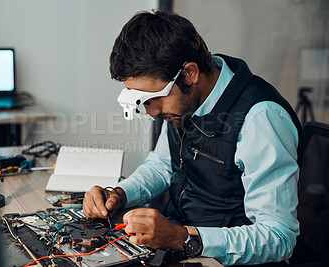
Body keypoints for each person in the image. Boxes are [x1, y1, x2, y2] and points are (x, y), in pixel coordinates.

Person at [83, 10, 302, 266]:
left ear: (189, 73)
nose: (151, 111)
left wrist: (182, 238)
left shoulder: (260, 119)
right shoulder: (185, 100)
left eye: (153, 99)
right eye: (141, 102)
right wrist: (120, 194)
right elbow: (163, 165)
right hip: (179, 245)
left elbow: (278, 237)